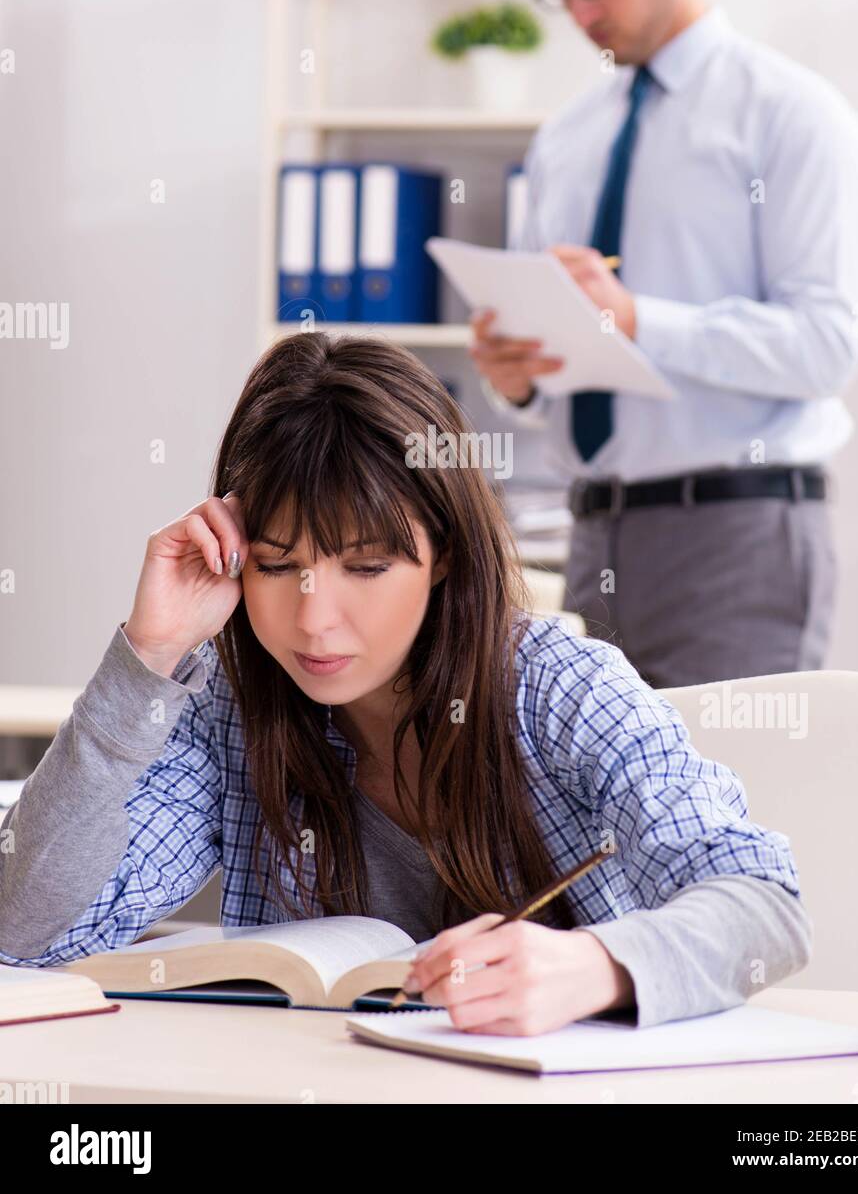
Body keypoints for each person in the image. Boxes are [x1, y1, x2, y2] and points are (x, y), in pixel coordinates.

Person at [0, 333, 811, 1034]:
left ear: (445, 552)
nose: (314, 621)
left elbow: (762, 904)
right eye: (278, 566)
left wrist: (599, 965)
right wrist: (147, 656)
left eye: (366, 566)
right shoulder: (225, 709)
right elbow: (27, 930)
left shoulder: (561, 688)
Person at [471, 0, 858, 688]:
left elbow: (825, 347)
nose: (581, 14)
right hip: (592, 540)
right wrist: (513, 374)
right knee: (588, 821)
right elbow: (556, 357)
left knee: (724, 810)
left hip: (736, 538)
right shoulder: (567, 138)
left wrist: (635, 319)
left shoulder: (793, 117)